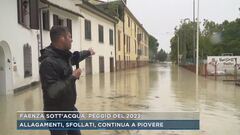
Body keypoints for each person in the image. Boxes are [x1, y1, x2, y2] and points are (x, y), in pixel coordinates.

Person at [39, 26, 95, 135]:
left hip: (70, 110)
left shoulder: (63, 56)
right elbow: (52, 91)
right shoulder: (48, 63)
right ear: (61, 39)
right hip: (56, 115)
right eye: (69, 36)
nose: (72, 39)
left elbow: (75, 58)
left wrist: (88, 52)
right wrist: (73, 76)